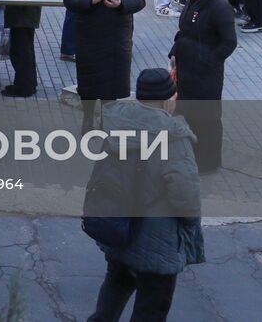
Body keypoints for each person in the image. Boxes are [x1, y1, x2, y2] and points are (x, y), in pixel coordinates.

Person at [87, 68, 204, 322]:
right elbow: (186, 197)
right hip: (157, 240)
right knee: (151, 309)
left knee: (115, 286)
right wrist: (191, 226)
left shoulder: (117, 125)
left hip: (120, 228)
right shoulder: (174, 138)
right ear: (167, 100)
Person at [63, 0, 144, 130]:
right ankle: (88, 118)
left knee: (111, 85)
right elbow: (70, 0)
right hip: (89, 38)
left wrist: (121, 4)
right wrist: (91, 0)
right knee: (89, 83)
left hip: (116, 39)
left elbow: (139, 0)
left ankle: (106, 121)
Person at [169, 0, 238, 172]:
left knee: (206, 119)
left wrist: (207, 60)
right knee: (187, 115)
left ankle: (208, 162)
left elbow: (229, 42)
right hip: (186, 70)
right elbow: (184, 32)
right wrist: (175, 51)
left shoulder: (220, 8)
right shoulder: (194, 0)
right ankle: (189, 156)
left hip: (205, 74)